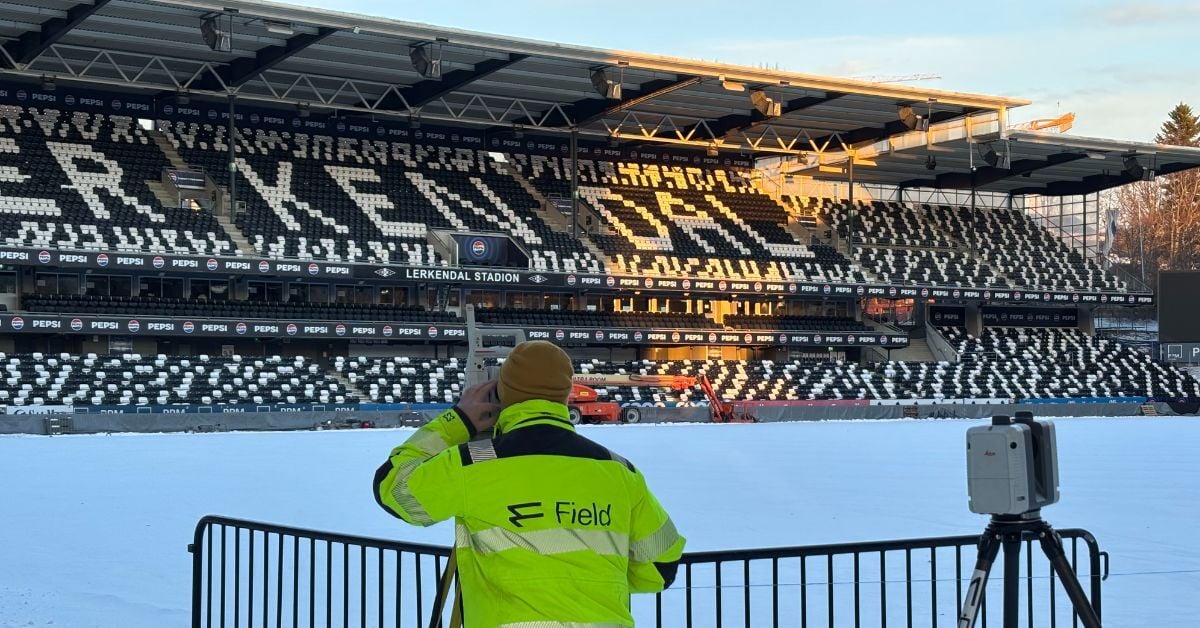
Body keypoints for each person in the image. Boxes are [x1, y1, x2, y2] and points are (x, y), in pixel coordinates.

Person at [373, 340, 685, 627]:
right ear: (565, 395)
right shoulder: (618, 470)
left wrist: (459, 421)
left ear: (503, 394)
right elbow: (661, 566)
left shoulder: (475, 462)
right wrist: (587, 574)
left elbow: (394, 489)